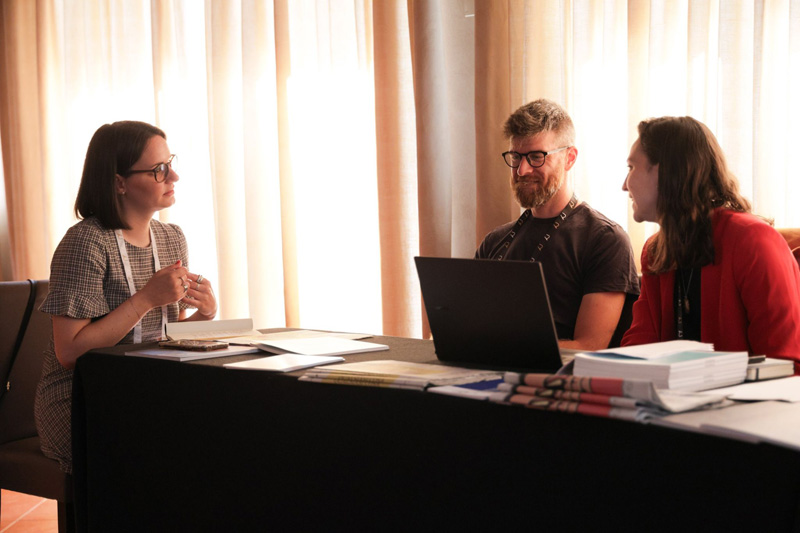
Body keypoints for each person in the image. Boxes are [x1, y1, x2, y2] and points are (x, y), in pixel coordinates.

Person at [35, 121, 218, 473]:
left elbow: (165, 337)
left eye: (170, 163)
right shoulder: (85, 242)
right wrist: (146, 299)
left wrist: (205, 316)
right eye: (159, 169)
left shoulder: (172, 238)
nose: (174, 177)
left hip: (144, 386)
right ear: (119, 182)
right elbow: (70, 353)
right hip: (81, 398)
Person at [621, 116, 800, 371]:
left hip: (753, 396)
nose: (624, 186)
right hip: (676, 395)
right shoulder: (656, 250)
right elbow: (638, 349)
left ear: (666, 173)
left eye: (631, 167)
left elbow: (785, 364)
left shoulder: (754, 241)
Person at [476, 99, 640, 350]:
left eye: (536, 157)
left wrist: (502, 347)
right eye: (516, 157)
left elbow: (589, 346)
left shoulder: (604, 240)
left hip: (559, 375)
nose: (522, 170)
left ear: (569, 158)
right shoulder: (495, 242)